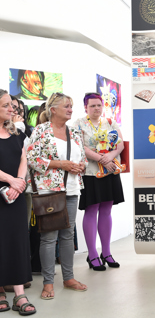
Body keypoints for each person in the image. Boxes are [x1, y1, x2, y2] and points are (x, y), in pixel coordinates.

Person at [27, 93, 88, 299]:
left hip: (71, 188)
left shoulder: (75, 133)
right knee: (49, 237)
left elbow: (84, 159)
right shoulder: (41, 130)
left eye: (71, 106)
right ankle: (48, 283)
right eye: (66, 106)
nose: (71, 109)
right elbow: (32, 159)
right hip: (50, 190)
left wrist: (80, 166)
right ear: (53, 110)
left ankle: (69, 278)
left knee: (68, 235)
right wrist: (61, 164)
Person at [72, 92, 125, 271]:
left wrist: (109, 157)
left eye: (99, 105)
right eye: (92, 105)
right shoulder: (78, 124)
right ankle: (93, 254)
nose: (96, 108)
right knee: (91, 209)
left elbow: (120, 144)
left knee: (106, 209)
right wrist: (101, 159)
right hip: (90, 173)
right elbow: (80, 146)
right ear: (85, 107)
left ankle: (107, 252)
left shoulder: (110, 122)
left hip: (110, 171)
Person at [0, 89, 36, 315]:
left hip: (15, 194)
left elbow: (24, 159)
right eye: (6, 105)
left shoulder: (16, 132)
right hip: (5, 188)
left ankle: (19, 293)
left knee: (18, 241)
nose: (11, 109)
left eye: (11, 105)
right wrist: (10, 180)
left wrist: (19, 182)